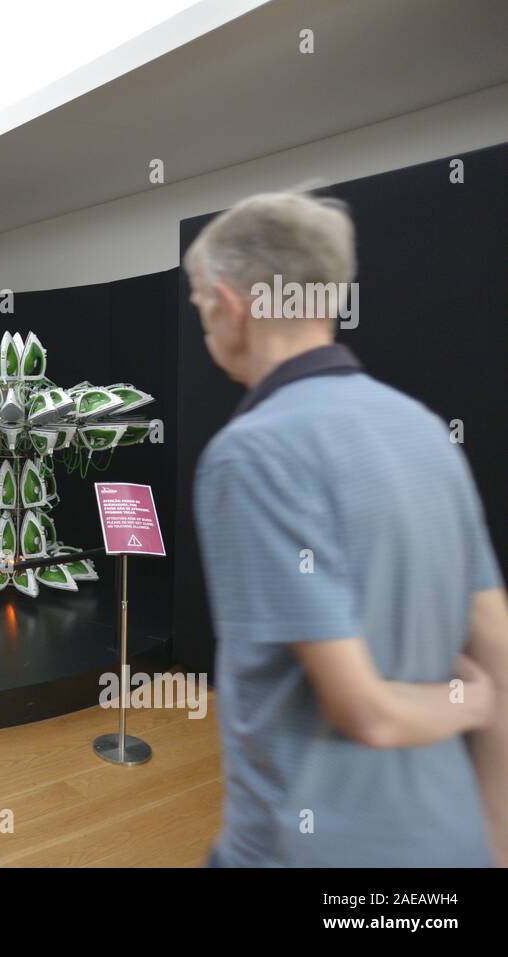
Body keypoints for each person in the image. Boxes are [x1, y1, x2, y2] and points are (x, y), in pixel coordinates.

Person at [184, 192, 506, 867]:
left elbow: (370, 711)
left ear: (230, 305)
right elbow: (499, 650)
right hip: (452, 845)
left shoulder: (250, 454)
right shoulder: (425, 428)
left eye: (199, 303)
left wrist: (469, 705)